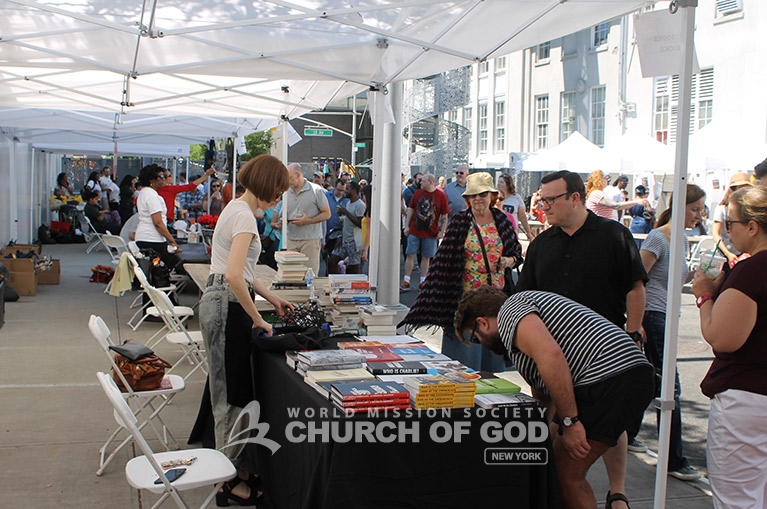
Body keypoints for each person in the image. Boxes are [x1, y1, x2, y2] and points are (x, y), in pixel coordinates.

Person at [516, 170, 648, 509]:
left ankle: (616, 492)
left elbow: (635, 286)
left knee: (608, 421)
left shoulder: (614, 235)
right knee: (559, 421)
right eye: (540, 199)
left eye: (549, 199)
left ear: (575, 197)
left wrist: (633, 331)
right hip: (553, 354)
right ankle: (565, 488)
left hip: (603, 355)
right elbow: (524, 297)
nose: (542, 206)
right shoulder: (542, 244)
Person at [454, 286, 654, 509]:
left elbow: (551, 355)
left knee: (566, 475)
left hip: (612, 377)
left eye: (475, 337)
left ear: (483, 322)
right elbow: (545, 398)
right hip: (610, 379)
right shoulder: (519, 342)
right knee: (552, 464)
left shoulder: (510, 311)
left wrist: (570, 422)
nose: (481, 343)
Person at [199, 154, 294, 507]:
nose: (279, 199)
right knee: (229, 397)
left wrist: (273, 298)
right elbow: (235, 276)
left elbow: (242, 274)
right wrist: (258, 318)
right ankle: (227, 480)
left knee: (233, 390)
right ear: (269, 186)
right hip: (228, 305)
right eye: (279, 192)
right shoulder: (243, 216)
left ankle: (234, 471)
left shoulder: (236, 209)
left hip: (224, 302)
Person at [400, 172, 523, 371]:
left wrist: (509, 260)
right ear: (467, 199)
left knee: (489, 362)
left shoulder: (502, 219)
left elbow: (517, 252)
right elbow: (444, 261)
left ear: (492, 196)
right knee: (464, 362)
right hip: (466, 302)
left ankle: (488, 398)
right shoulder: (460, 221)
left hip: (496, 303)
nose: (477, 199)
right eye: (473, 195)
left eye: (482, 194)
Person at [691, 185, 767, 508]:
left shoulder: (752, 270)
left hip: (746, 399)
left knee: (737, 500)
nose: (726, 229)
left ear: (752, 226)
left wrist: (704, 294)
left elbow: (722, 338)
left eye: (730, 221)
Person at [627, 184, 705, 481]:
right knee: (669, 385)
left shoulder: (682, 239)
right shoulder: (659, 237)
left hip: (667, 315)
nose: (699, 215)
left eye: (701, 210)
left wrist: (698, 277)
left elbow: (672, 278)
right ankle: (673, 458)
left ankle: (629, 432)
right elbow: (637, 279)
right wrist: (637, 322)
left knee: (653, 379)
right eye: (695, 209)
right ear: (681, 206)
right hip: (654, 315)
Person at [401, 173, 449, 290]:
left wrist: (442, 231)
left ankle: (423, 279)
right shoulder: (418, 193)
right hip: (415, 229)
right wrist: (407, 226)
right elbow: (411, 209)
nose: (420, 182)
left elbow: (444, 215)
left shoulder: (440, 196)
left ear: (430, 182)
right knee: (410, 254)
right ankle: (406, 279)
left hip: (431, 232)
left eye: (423, 181)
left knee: (426, 256)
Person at [283, 162, 331, 275]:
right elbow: (283, 213)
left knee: (310, 276)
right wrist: (282, 221)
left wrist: (307, 221)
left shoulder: (316, 190)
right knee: (291, 276)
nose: (287, 181)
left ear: (298, 175)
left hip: (310, 240)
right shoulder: (286, 192)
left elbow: (327, 214)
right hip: (291, 239)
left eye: (289, 178)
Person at [134, 164, 182, 270]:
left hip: (144, 237)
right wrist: (172, 240)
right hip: (153, 239)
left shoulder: (143, 193)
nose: (164, 179)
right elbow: (158, 223)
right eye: (161, 177)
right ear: (152, 180)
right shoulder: (152, 196)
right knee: (176, 264)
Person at [711, 172, 752, 262]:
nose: (745, 190)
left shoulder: (749, 208)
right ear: (734, 188)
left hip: (744, 253)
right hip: (724, 253)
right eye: (741, 187)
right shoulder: (722, 208)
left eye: (747, 187)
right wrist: (727, 253)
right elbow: (715, 233)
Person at [328, 181, 366, 274]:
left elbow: (360, 224)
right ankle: (337, 282)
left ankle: (359, 286)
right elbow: (347, 223)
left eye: (347, 189)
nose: (345, 191)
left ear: (353, 191)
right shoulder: (349, 203)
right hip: (345, 239)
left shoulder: (360, 205)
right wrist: (341, 236)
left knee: (354, 267)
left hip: (353, 241)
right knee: (332, 261)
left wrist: (346, 213)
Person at [496, 173, 536, 240]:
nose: (498, 184)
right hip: (498, 230)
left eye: (501, 182)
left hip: (512, 230)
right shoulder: (495, 197)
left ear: (508, 184)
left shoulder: (516, 198)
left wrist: (528, 232)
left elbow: (522, 216)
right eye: (498, 182)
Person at [324, 178, 350, 255]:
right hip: (327, 232)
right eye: (339, 190)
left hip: (341, 233)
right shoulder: (326, 196)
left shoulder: (347, 199)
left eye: (343, 190)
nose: (340, 192)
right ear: (334, 187)